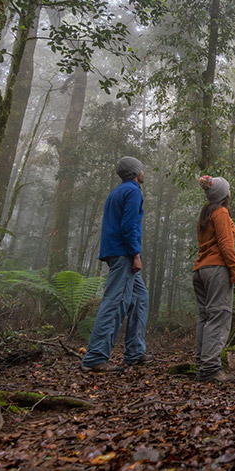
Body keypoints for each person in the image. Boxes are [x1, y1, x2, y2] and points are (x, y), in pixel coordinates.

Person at [80, 156, 150, 372]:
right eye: (142, 168)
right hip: (123, 253)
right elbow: (129, 226)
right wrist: (135, 253)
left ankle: (135, 352)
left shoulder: (117, 192)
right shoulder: (133, 191)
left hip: (116, 252)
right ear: (136, 172)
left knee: (140, 298)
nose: (144, 172)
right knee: (116, 301)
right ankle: (96, 356)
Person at [192, 175, 235, 382]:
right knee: (218, 317)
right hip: (216, 269)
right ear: (224, 195)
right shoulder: (220, 213)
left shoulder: (206, 213)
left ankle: (203, 363)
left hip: (201, 270)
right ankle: (210, 368)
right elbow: (226, 246)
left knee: (205, 317)